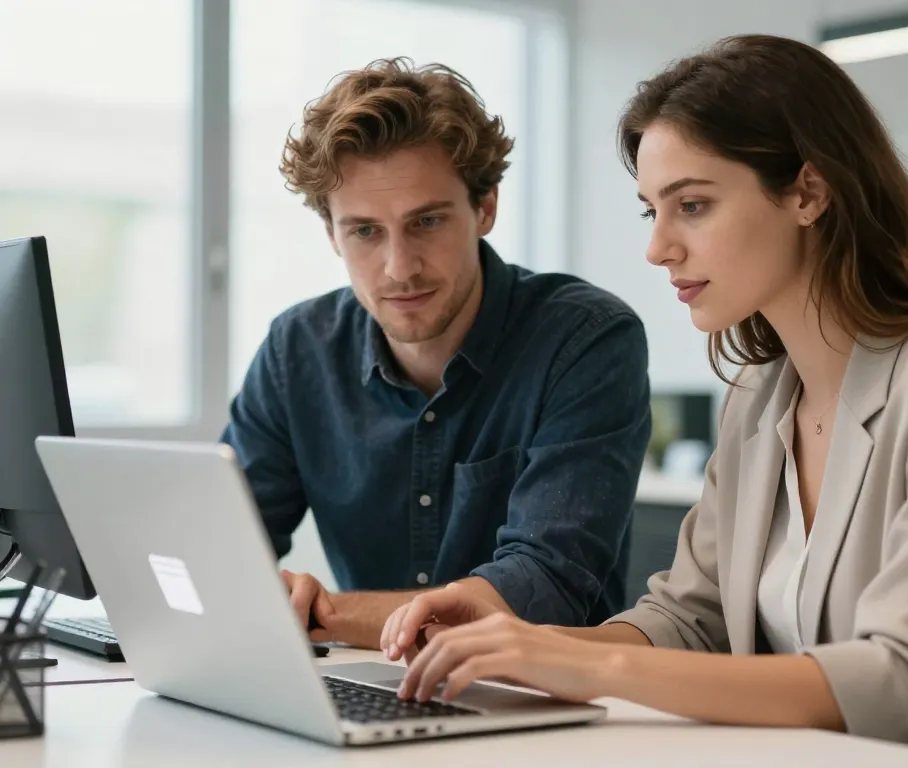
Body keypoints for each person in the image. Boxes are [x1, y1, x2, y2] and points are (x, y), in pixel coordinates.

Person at [379, 34, 908, 762]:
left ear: (808, 192)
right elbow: (687, 619)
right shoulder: (759, 394)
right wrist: (515, 642)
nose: (659, 249)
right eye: (652, 210)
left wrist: (591, 667)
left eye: (692, 205)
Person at [221, 58, 651, 648]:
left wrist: (319, 613)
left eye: (426, 221)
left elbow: (545, 586)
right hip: (366, 683)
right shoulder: (297, 350)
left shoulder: (584, 339)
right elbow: (220, 549)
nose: (399, 267)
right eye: (365, 231)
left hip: (536, 701)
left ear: (485, 208)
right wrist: (260, 594)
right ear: (331, 235)